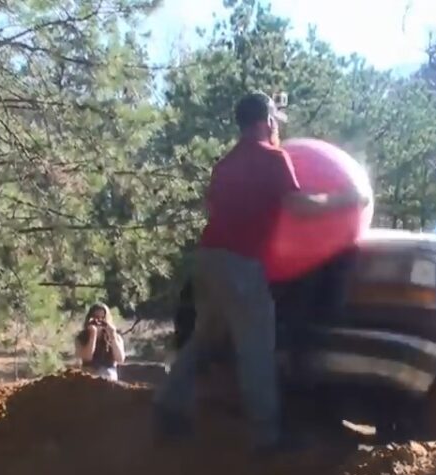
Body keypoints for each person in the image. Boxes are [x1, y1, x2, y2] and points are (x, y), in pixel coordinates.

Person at [153, 91, 369, 455]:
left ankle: (168, 406)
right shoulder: (274, 157)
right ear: (268, 121)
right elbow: (299, 205)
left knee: (205, 337)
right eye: (275, 122)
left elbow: (212, 207)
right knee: (256, 348)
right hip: (241, 263)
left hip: (207, 259)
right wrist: (345, 200)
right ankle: (267, 438)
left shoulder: (224, 164)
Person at [75, 302, 125, 381]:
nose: (99, 321)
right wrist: (93, 335)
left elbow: (120, 359)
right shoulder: (81, 337)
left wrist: (112, 337)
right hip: (89, 376)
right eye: (96, 317)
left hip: (108, 375)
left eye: (102, 318)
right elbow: (87, 358)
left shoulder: (116, 337)